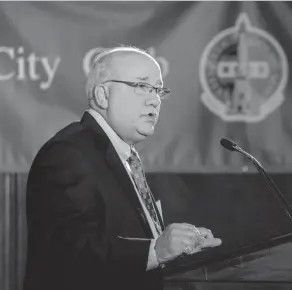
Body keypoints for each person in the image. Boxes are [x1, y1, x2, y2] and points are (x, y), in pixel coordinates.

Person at [23, 46, 222, 290]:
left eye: (158, 90)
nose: (154, 100)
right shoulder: (69, 153)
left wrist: (178, 248)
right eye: (141, 86)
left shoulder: (123, 156)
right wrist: (156, 250)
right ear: (103, 95)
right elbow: (69, 249)